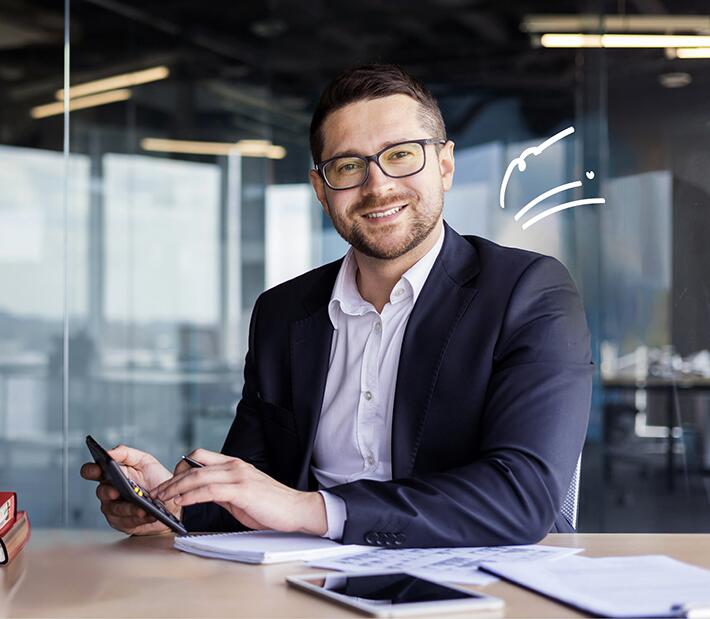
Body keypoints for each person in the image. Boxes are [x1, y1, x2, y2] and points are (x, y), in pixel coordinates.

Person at [81, 64, 593, 547]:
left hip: (474, 587)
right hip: (306, 585)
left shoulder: (527, 292)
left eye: (400, 155)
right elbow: (253, 494)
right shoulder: (282, 314)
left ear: (444, 165)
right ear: (321, 192)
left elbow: (523, 496)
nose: (377, 186)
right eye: (348, 166)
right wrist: (173, 501)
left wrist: (314, 510)